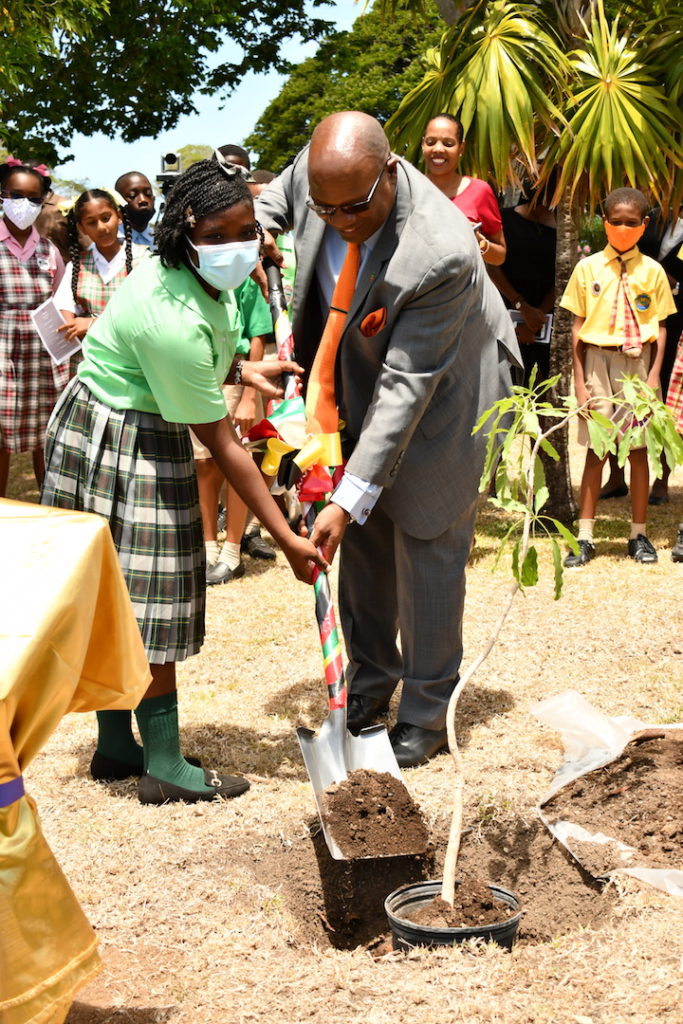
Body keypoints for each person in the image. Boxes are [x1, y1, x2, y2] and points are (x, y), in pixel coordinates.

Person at [41, 159, 325, 804]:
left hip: (120, 415)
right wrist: (283, 536)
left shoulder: (180, 270)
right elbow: (222, 443)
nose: (238, 246)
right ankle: (163, 766)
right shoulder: (168, 314)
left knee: (114, 595)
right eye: (221, 235)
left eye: (247, 230)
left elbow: (208, 339)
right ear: (187, 230)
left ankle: (116, 747)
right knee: (147, 601)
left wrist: (245, 370)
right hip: (120, 438)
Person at [255, 111, 519, 767]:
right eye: (326, 209)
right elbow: (262, 209)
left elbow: (408, 383)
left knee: (426, 536)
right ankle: (368, 689)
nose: (339, 221)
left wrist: (348, 493)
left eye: (354, 208)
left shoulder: (440, 250)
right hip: (359, 386)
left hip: (449, 394)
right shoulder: (318, 180)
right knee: (364, 543)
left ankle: (427, 712)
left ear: (390, 172)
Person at [560, 187, 676, 568]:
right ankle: (585, 537)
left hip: (638, 367)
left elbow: (660, 328)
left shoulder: (654, 271)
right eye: (615, 222)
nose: (623, 229)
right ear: (604, 222)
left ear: (644, 225)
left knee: (639, 451)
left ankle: (638, 534)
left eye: (631, 223)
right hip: (597, 363)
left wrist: (655, 373)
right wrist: (579, 383)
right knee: (596, 450)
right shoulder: (587, 268)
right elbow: (576, 330)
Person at [0, 160, 66, 496]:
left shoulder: (49, 251)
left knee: (47, 438)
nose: (24, 205)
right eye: (16, 195)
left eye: (34, 198)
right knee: (1, 441)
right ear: (2, 195)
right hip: (2, 356)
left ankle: (49, 511)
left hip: (42, 355)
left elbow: (57, 298)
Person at [53, 187, 146, 343]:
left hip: (130, 358)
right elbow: (64, 311)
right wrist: (69, 323)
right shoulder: (76, 266)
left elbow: (148, 315)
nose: (101, 227)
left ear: (119, 216)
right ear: (81, 227)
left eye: (106, 218)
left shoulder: (143, 260)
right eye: (91, 222)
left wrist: (92, 323)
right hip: (86, 360)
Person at [487, 179, 556, 386]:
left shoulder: (563, 229)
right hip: (505, 309)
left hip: (544, 318)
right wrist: (521, 306)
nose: (544, 209)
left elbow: (562, 276)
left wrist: (537, 316)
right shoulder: (505, 219)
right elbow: (491, 266)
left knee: (541, 384)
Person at [421, 113, 506, 266]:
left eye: (448, 143)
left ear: (461, 148)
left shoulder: (480, 191)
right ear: (423, 145)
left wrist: (479, 242)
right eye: (431, 142)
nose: (438, 149)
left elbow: (500, 256)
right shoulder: (407, 189)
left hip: (461, 288)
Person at [114, 171, 156, 248]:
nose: (143, 200)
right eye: (132, 195)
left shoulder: (163, 241)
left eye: (148, 194)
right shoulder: (110, 242)